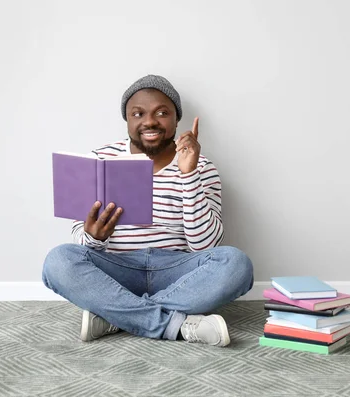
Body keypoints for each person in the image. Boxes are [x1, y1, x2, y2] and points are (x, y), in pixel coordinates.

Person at [42, 75, 254, 347]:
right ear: (127, 120)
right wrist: (94, 236)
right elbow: (82, 245)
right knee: (58, 261)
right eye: (138, 113)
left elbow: (206, 245)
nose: (150, 121)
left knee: (236, 264)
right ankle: (174, 324)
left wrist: (188, 175)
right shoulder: (99, 160)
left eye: (162, 113)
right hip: (117, 270)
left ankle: (116, 316)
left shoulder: (201, 166)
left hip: (178, 271)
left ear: (176, 120)